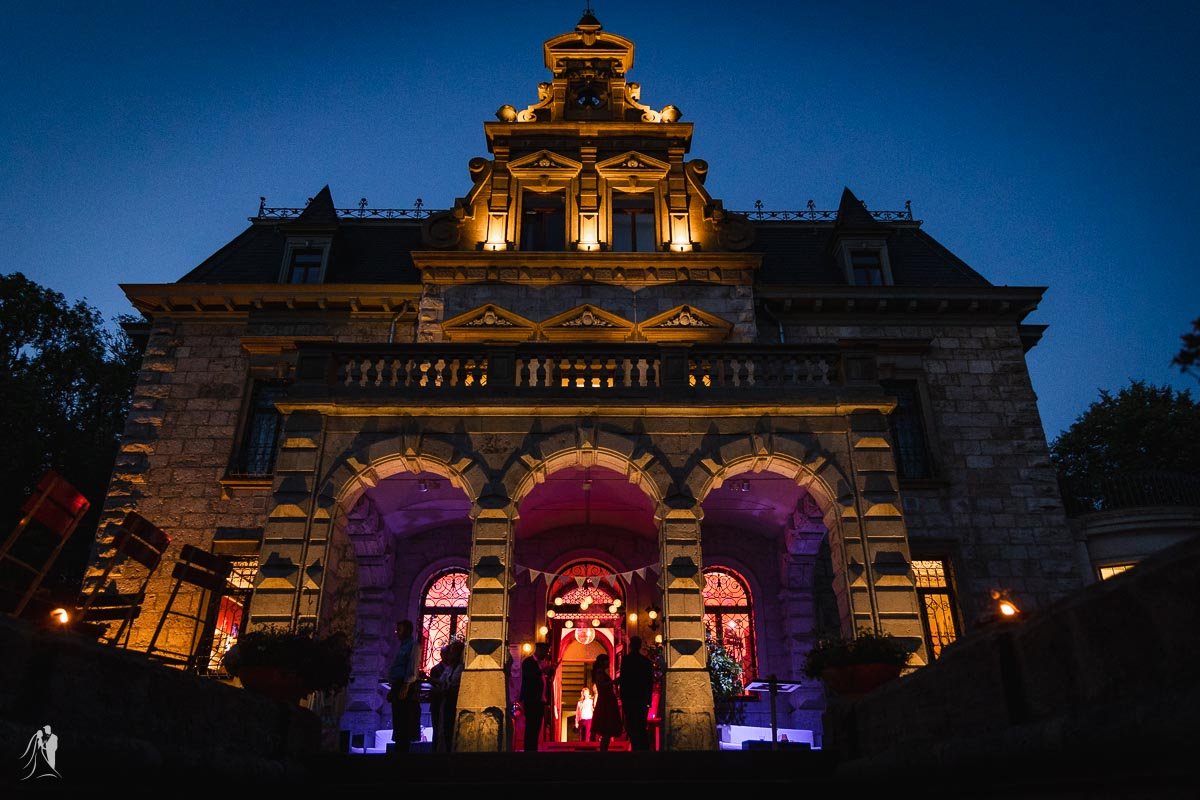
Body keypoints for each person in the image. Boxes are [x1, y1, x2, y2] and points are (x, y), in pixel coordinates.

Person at [387, 619, 420, 755]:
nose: (397, 633)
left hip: (404, 685)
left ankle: (403, 749)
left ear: (407, 630)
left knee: (403, 718)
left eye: (399, 630)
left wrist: (406, 685)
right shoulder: (402, 646)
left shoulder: (413, 645)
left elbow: (412, 666)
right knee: (397, 717)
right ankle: (399, 746)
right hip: (397, 684)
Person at [617, 635, 655, 750]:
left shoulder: (626, 660)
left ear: (631, 646)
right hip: (642, 697)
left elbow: (623, 679)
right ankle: (643, 748)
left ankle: (635, 747)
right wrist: (649, 699)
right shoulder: (646, 662)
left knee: (631, 724)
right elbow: (649, 681)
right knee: (641, 724)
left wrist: (622, 696)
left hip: (629, 697)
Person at [520, 642, 551, 752]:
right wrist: (542, 670)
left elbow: (544, 679)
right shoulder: (528, 662)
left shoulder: (541, 663)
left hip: (541, 700)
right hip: (532, 699)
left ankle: (533, 748)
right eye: (545, 651)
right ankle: (529, 750)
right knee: (531, 726)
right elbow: (529, 677)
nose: (546, 654)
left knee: (537, 726)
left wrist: (551, 670)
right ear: (538, 650)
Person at [591, 653, 623, 751]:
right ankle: (603, 750)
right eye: (607, 661)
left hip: (607, 700)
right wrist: (613, 682)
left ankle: (604, 749)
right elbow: (602, 685)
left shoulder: (600, 672)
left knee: (607, 728)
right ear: (602, 662)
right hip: (606, 701)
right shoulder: (600, 673)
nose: (608, 663)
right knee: (607, 726)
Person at [438, 639, 466, 752]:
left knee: (452, 729)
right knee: (445, 729)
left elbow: (456, 686)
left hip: (456, 702)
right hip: (447, 702)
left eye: (452, 651)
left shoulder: (461, 668)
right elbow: (442, 681)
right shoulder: (449, 668)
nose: (449, 654)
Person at [428, 645, 451, 753]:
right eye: (445, 654)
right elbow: (435, 686)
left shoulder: (452, 668)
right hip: (437, 704)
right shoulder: (435, 669)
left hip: (448, 704)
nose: (447, 656)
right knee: (437, 730)